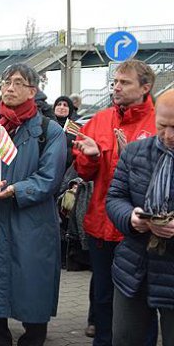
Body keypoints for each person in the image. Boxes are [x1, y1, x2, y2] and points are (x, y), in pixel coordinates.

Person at [0, 63, 67, 346]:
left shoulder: (49, 130)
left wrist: (15, 190)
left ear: (33, 91)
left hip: (32, 222)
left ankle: (33, 337)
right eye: (6, 81)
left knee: (34, 285)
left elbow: (49, 177)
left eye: (18, 82)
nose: (9, 87)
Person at [72, 60, 156, 346]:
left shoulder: (159, 124)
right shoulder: (100, 120)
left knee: (139, 300)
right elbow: (83, 172)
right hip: (102, 225)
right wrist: (91, 156)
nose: (116, 87)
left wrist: (131, 159)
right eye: (114, 82)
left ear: (146, 87)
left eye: (125, 82)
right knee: (103, 298)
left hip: (142, 231)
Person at [106, 89, 174, 346]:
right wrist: (131, 218)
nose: (168, 136)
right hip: (134, 267)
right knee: (124, 338)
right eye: (162, 126)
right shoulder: (134, 152)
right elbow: (114, 198)